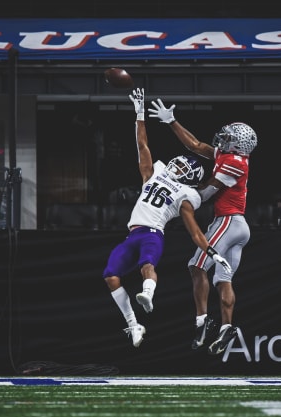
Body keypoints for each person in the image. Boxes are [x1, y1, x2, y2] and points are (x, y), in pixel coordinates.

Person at [103, 88, 232, 348]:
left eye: (185, 169)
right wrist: (139, 113)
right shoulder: (153, 174)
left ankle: (148, 294)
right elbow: (142, 145)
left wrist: (212, 252)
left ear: (191, 179)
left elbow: (194, 230)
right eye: (180, 163)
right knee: (110, 276)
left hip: (153, 234)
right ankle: (133, 324)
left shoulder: (187, 195)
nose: (178, 167)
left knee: (147, 267)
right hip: (132, 234)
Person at [149, 98, 257, 355]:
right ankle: (226, 327)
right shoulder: (232, 155)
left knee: (196, 266)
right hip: (238, 224)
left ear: (238, 144)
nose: (223, 138)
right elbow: (196, 145)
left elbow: (207, 192)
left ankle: (202, 322)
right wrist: (171, 122)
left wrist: (177, 190)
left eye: (228, 137)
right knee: (223, 279)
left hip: (228, 221)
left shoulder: (235, 163)